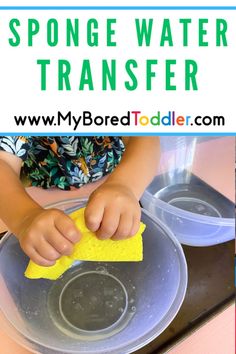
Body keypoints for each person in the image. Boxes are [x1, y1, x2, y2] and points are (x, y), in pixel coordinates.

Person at [0, 136, 160, 266]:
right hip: (46, 181)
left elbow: (144, 137)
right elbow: (3, 162)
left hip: (114, 173)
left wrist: (126, 185)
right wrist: (24, 217)